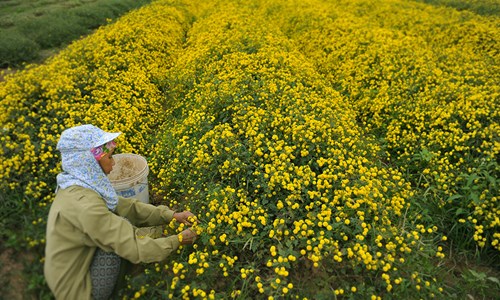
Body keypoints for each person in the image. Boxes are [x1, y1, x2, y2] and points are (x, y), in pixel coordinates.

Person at [44, 124, 198, 300]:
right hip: (73, 288)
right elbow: (132, 248)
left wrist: (171, 215)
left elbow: (127, 207)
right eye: (109, 157)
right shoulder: (86, 206)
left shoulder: (79, 184)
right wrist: (177, 241)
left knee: (118, 224)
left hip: (69, 264)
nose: (114, 162)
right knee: (115, 246)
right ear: (91, 164)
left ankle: (144, 235)